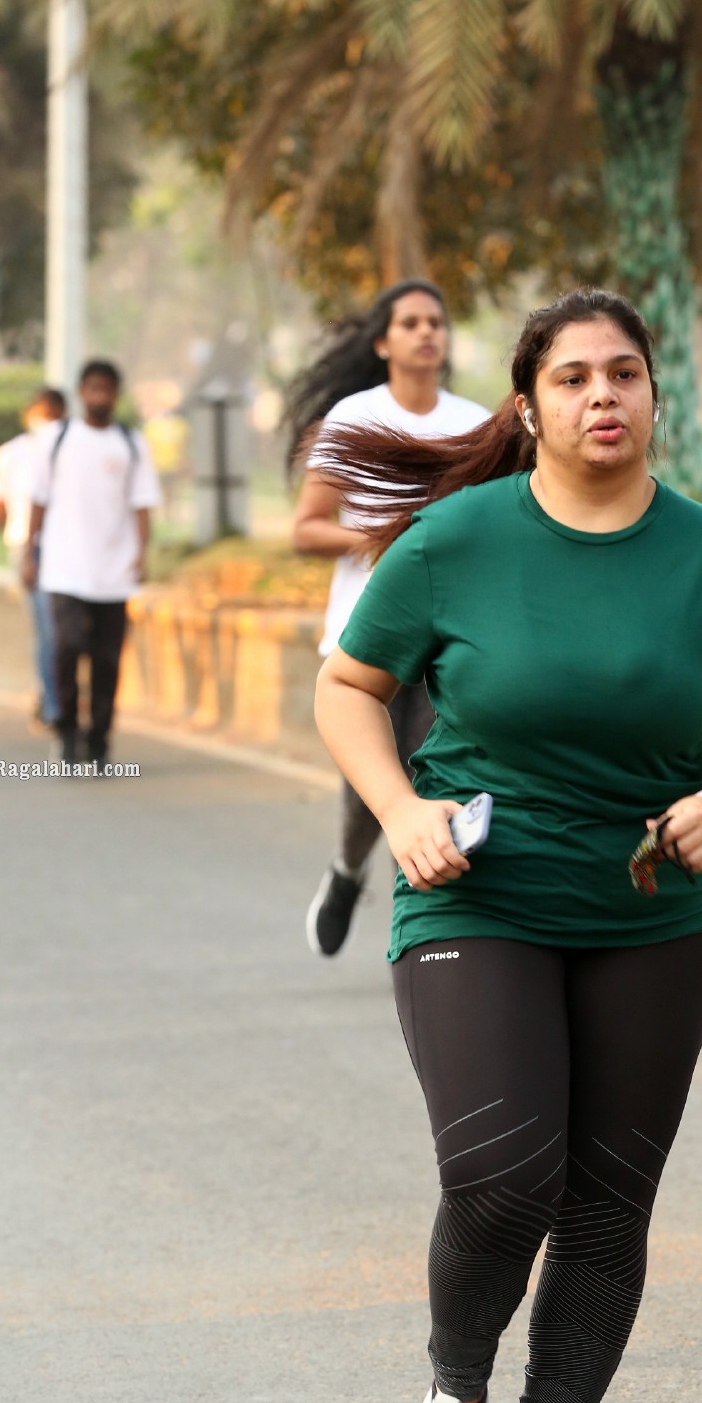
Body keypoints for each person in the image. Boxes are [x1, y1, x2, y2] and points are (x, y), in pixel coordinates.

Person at [314, 288, 702, 1403]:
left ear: (654, 396)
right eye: (576, 377)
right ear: (529, 405)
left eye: (625, 374)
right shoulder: (455, 540)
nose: (604, 396)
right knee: (502, 1174)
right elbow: (350, 688)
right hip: (477, 894)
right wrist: (400, 806)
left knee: (605, 1201)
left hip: (653, 918)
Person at [287, 281, 489, 956]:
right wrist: (381, 540)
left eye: (436, 321)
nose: (427, 332)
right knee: (368, 790)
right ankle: (347, 871)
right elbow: (307, 528)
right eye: (410, 323)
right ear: (384, 342)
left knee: (434, 773)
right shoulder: (352, 419)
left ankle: (435, 927)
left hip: (448, 636)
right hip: (364, 634)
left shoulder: (473, 424)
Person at [24, 360, 161, 772]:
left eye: (107, 389)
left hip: (113, 573)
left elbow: (142, 504)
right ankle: (66, 731)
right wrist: (31, 553)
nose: (100, 396)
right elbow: (38, 499)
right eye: (93, 388)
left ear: (116, 395)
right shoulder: (57, 438)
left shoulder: (131, 444)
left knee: (107, 660)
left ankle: (99, 741)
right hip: (63, 568)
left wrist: (140, 553)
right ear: (82, 392)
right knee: (65, 647)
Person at [0, 387, 68, 728]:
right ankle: (54, 703)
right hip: (26, 548)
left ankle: (58, 696)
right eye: (41, 414)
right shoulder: (11, 454)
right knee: (48, 627)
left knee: (64, 629)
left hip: (69, 549)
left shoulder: (72, 450)